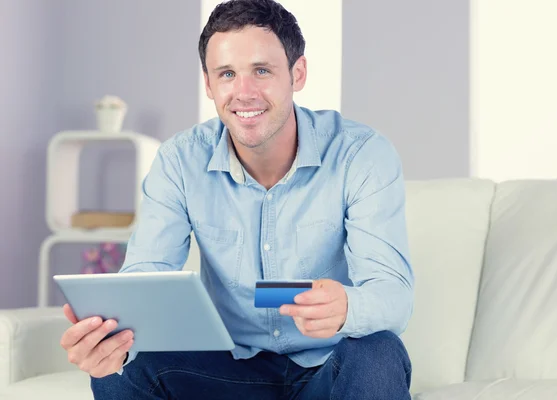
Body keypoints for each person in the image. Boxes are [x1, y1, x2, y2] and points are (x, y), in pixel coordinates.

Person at [59, 0, 414, 398]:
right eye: (227, 74)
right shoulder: (180, 160)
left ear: (297, 74)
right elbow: (145, 276)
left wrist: (348, 306)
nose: (244, 93)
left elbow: (393, 295)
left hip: (328, 371)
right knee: (121, 367)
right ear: (209, 84)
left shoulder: (360, 154)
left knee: (380, 352)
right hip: (229, 372)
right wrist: (109, 339)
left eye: (261, 71)